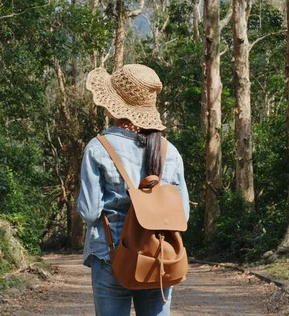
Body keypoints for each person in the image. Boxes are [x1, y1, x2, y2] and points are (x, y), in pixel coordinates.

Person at [77, 64, 190, 316]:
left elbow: (90, 212)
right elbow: (183, 214)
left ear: (115, 105)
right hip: (158, 257)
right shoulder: (169, 151)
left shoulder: (98, 148)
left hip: (111, 255)